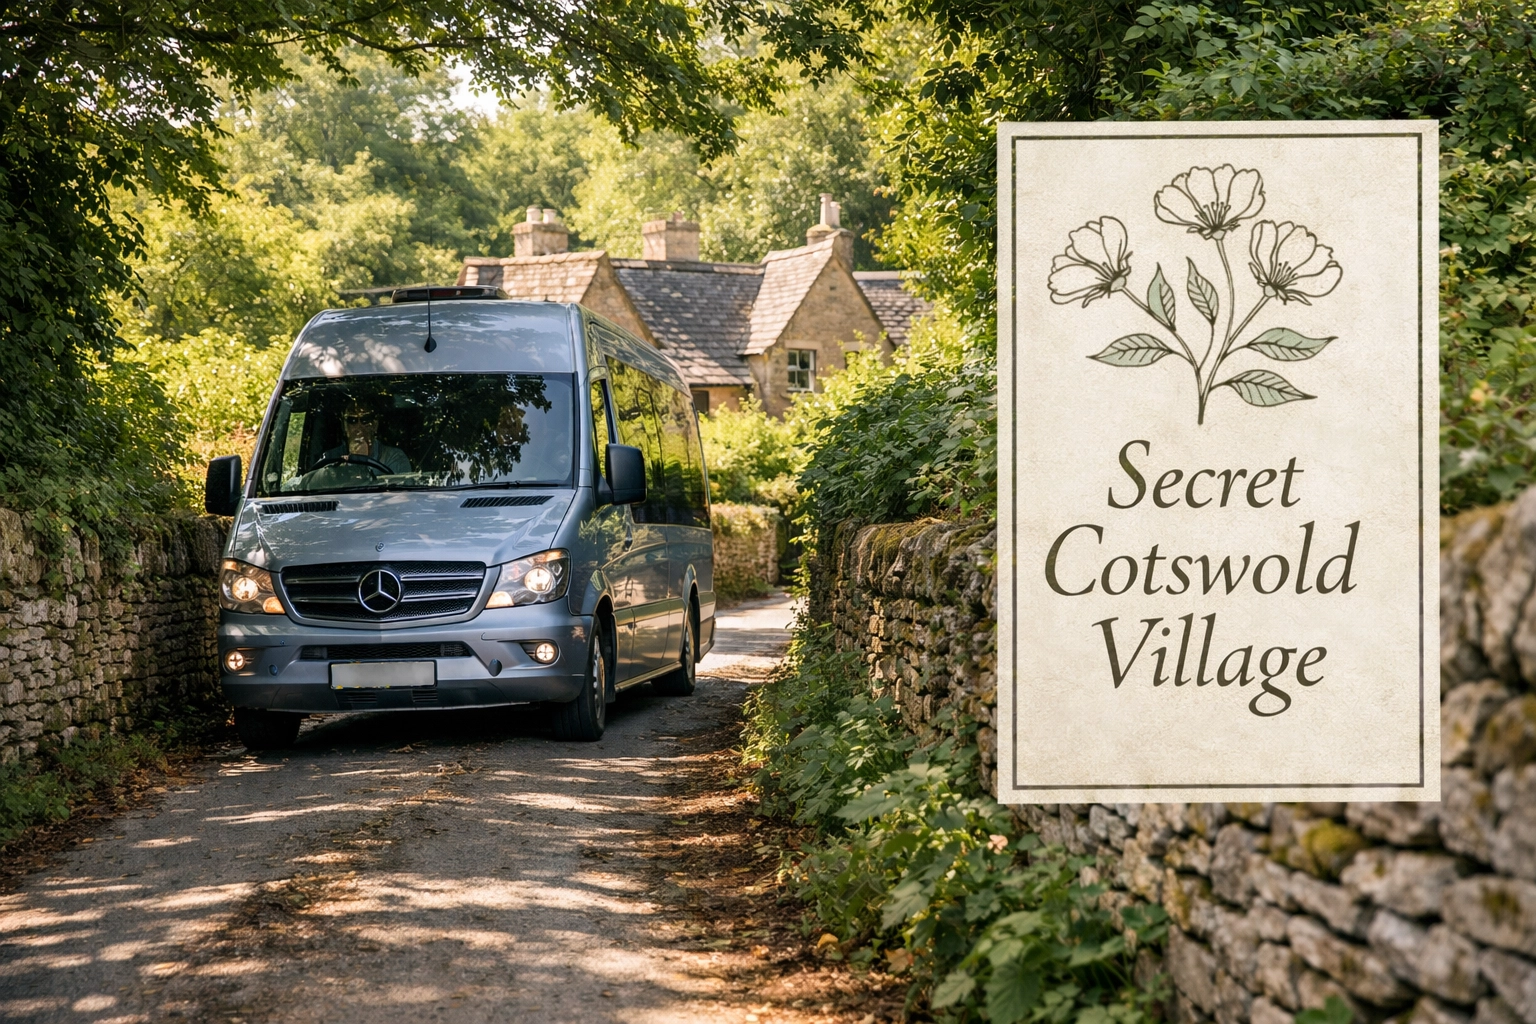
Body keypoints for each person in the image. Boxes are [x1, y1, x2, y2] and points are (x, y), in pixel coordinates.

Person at [321, 401, 411, 474]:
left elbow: (399, 493)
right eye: (352, 420)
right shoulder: (330, 458)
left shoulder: (394, 457)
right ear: (344, 426)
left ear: (375, 426)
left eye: (365, 420)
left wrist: (361, 461)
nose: (359, 427)